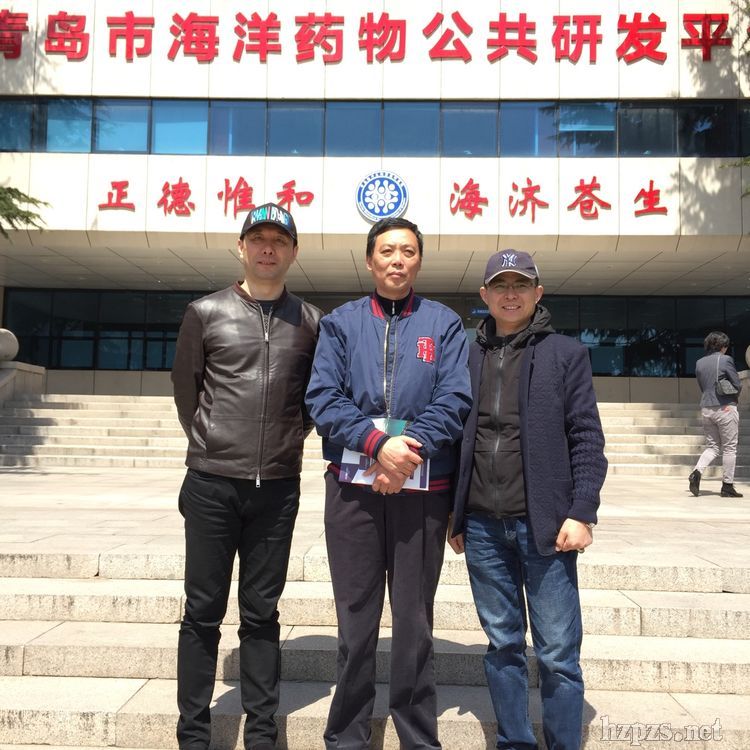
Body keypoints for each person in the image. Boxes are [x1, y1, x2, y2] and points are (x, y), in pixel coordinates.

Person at [305, 216, 472, 750]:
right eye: (387, 251)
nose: (397, 260)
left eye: (407, 251)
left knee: (414, 622)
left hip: (422, 494)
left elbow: (455, 398)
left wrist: (404, 452)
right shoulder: (340, 323)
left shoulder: (444, 323)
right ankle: (346, 736)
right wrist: (378, 445)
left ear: (419, 260)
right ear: (369, 260)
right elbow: (323, 396)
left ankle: (417, 736)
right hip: (352, 491)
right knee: (355, 621)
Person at [171, 202, 322, 750]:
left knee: (261, 614)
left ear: (293, 252)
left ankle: (262, 733)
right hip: (212, 484)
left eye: (279, 241)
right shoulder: (205, 312)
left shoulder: (311, 321)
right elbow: (187, 394)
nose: (267, 249)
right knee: (202, 612)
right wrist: (215, 445)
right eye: (258, 239)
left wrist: (282, 443)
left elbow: (311, 399)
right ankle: (194, 734)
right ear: (241, 247)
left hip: (277, 489)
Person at [450, 249, 608, 750]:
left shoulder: (565, 354)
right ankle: (514, 741)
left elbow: (587, 437)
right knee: (502, 644)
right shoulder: (465, 356)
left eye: (521, 284)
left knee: (558, 652)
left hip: (545, 525)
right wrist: (455, 514)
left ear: (538, 293)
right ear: (485, 295)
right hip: (482, 526)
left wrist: (582, 511)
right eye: (500, 285)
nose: (511, 294)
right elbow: (454, 436)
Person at [688, 331, 743, 498]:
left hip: (706, 408)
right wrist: (734, 398)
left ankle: (696, 472)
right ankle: (727, 486)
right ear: (723, 346)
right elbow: (737, 384)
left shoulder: (699, 362)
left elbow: (703, 386)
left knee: (712, 447)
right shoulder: (725, 359)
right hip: (725, 407)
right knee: (729, 448)